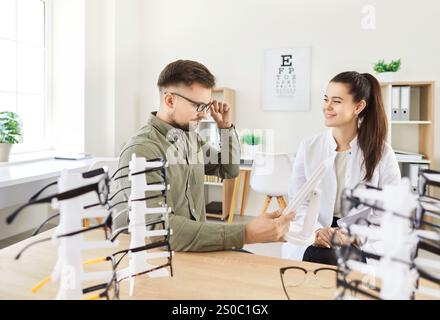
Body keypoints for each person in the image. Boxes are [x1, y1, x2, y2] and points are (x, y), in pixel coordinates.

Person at [114, 59, 295, 252]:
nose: (203, 114)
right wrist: (246, 233)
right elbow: (160, 230)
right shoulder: (142, 150)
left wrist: (225, 128)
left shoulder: (190, 137)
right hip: (157, 257)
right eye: (197, 106)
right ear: (169, 100)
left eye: (205, 107)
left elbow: (228, 170)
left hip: (191, 248)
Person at [284, 71, 401, 265]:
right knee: (319, 254)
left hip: (361, 236)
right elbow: (299, 202)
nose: (327, 107)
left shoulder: (382, 153)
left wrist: (349, 235)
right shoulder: (309, 147)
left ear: (359, 106)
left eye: (336, 101)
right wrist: (316, 232)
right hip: (315, 230)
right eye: (326, 99)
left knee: (326, 259)